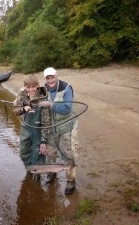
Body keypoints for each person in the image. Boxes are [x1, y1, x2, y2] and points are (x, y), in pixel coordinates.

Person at [39, 67, 78, 195]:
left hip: (67, 126)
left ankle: (71, 180)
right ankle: (52, 173)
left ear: (57, 76)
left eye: (52, 77)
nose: (50, 80)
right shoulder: (43, 90)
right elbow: (31, 95)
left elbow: (67, 109)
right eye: (48, 78)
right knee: (50, 153)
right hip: (51, 127)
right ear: (45, 79)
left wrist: (51, 105)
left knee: (68, 154)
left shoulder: (67, 88)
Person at [12, 74, 50, 177]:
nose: (31, 90)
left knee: (38, 154)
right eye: (28, 87)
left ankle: (37, 176)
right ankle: (29, 170)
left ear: (37, 85)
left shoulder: (43, 98)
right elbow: (15, 110)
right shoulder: (22, 94)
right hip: (26, 127)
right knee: (23, 153)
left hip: (39, 128)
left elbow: (46, 123)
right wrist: (23, 109)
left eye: (33, 87)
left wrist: (43, 141)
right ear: (25, 86)